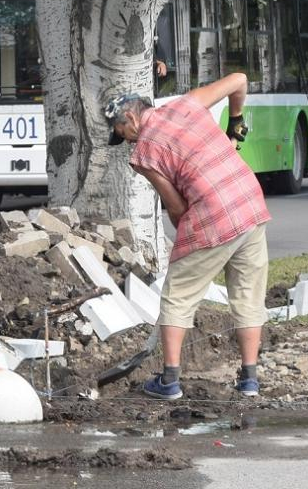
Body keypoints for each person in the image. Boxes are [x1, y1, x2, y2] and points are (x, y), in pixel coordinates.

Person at [104, 73, 268, 401]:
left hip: (212, 217)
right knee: (248, 295)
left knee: (177, 295)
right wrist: (235, 122)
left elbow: (176, 206)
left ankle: (169, 381)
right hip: (249, 202)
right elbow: (239, 80)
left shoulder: (143, 156)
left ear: (132, 117)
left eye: (123, 134)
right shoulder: (187, 104)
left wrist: (186, 234)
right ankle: (249, 380)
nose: (127, 143)